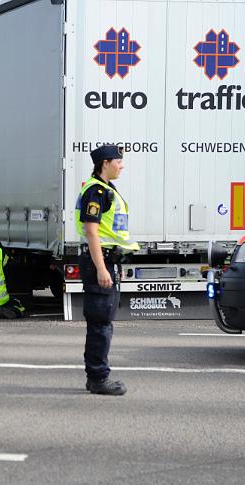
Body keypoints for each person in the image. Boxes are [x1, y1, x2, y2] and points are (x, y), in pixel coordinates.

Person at [75, 145, 139, 396]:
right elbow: (92, 231)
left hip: (107, 260)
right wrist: (102, 268)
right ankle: (98, 378)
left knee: (104, 322)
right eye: (118, 161)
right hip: (98, 261)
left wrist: (112, 266)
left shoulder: (107, 190)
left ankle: (97, 376)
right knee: (100, 323)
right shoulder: (96, 191)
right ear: (105, 163)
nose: (121, 166)